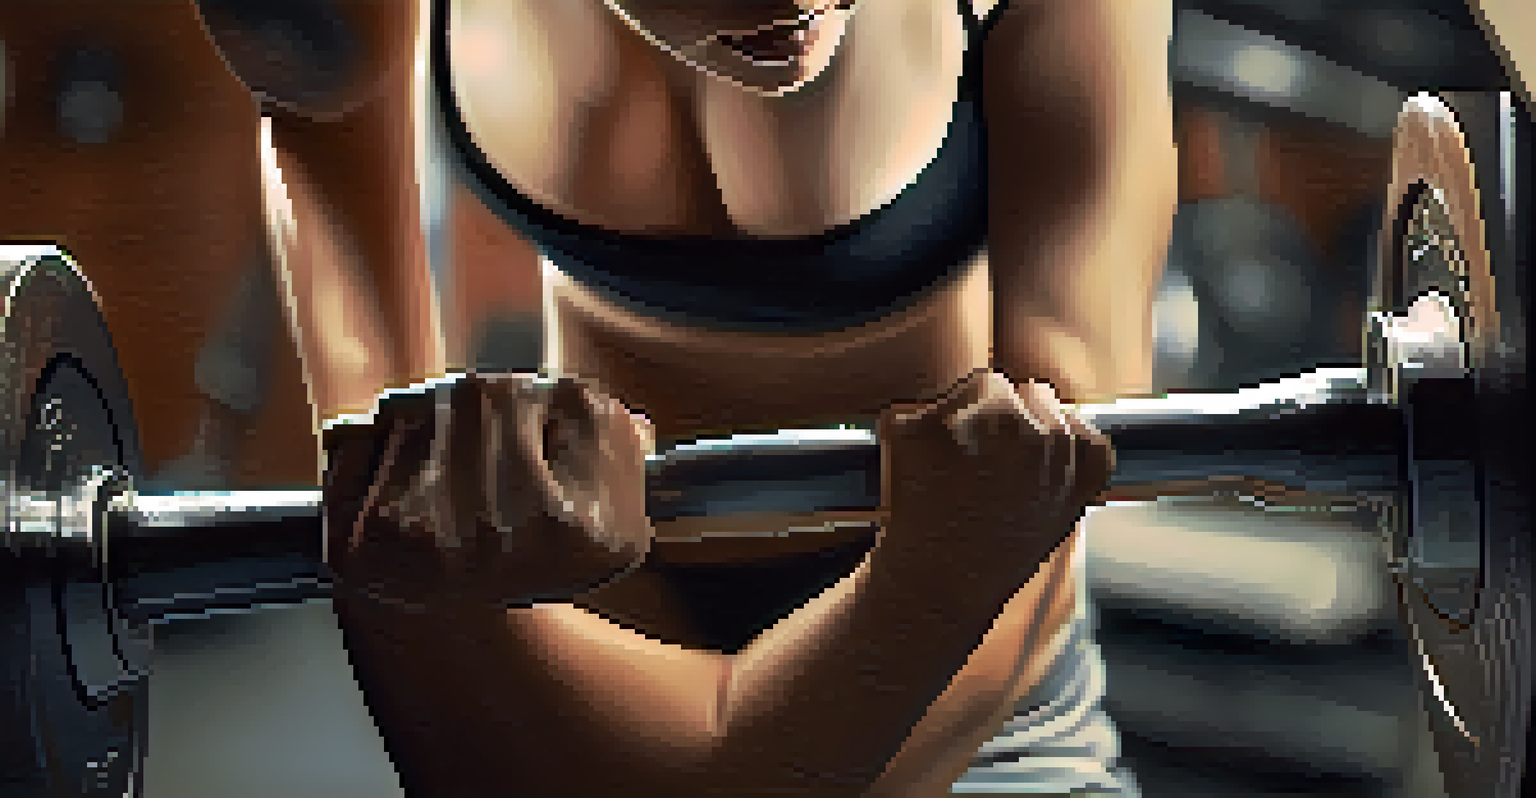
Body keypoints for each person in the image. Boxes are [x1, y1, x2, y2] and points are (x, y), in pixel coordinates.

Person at [194, 0, 1178, 794]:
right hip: (611, 610)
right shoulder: (352, 28)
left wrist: (937, 584)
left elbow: (1056, 461)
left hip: (984, 664)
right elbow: (387, 513)